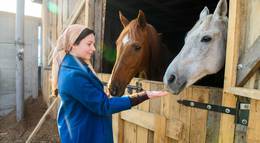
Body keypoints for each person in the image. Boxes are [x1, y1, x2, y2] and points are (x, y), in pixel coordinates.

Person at [51, 24, 168, 143]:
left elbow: (89, 97)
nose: (94, 49)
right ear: (73, 45)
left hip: (89, 131)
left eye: (93, 44)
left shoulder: (77, 66)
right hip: (85, 136)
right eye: (89, 44)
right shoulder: (73, 75)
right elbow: (104, 106)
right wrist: (144, 95)